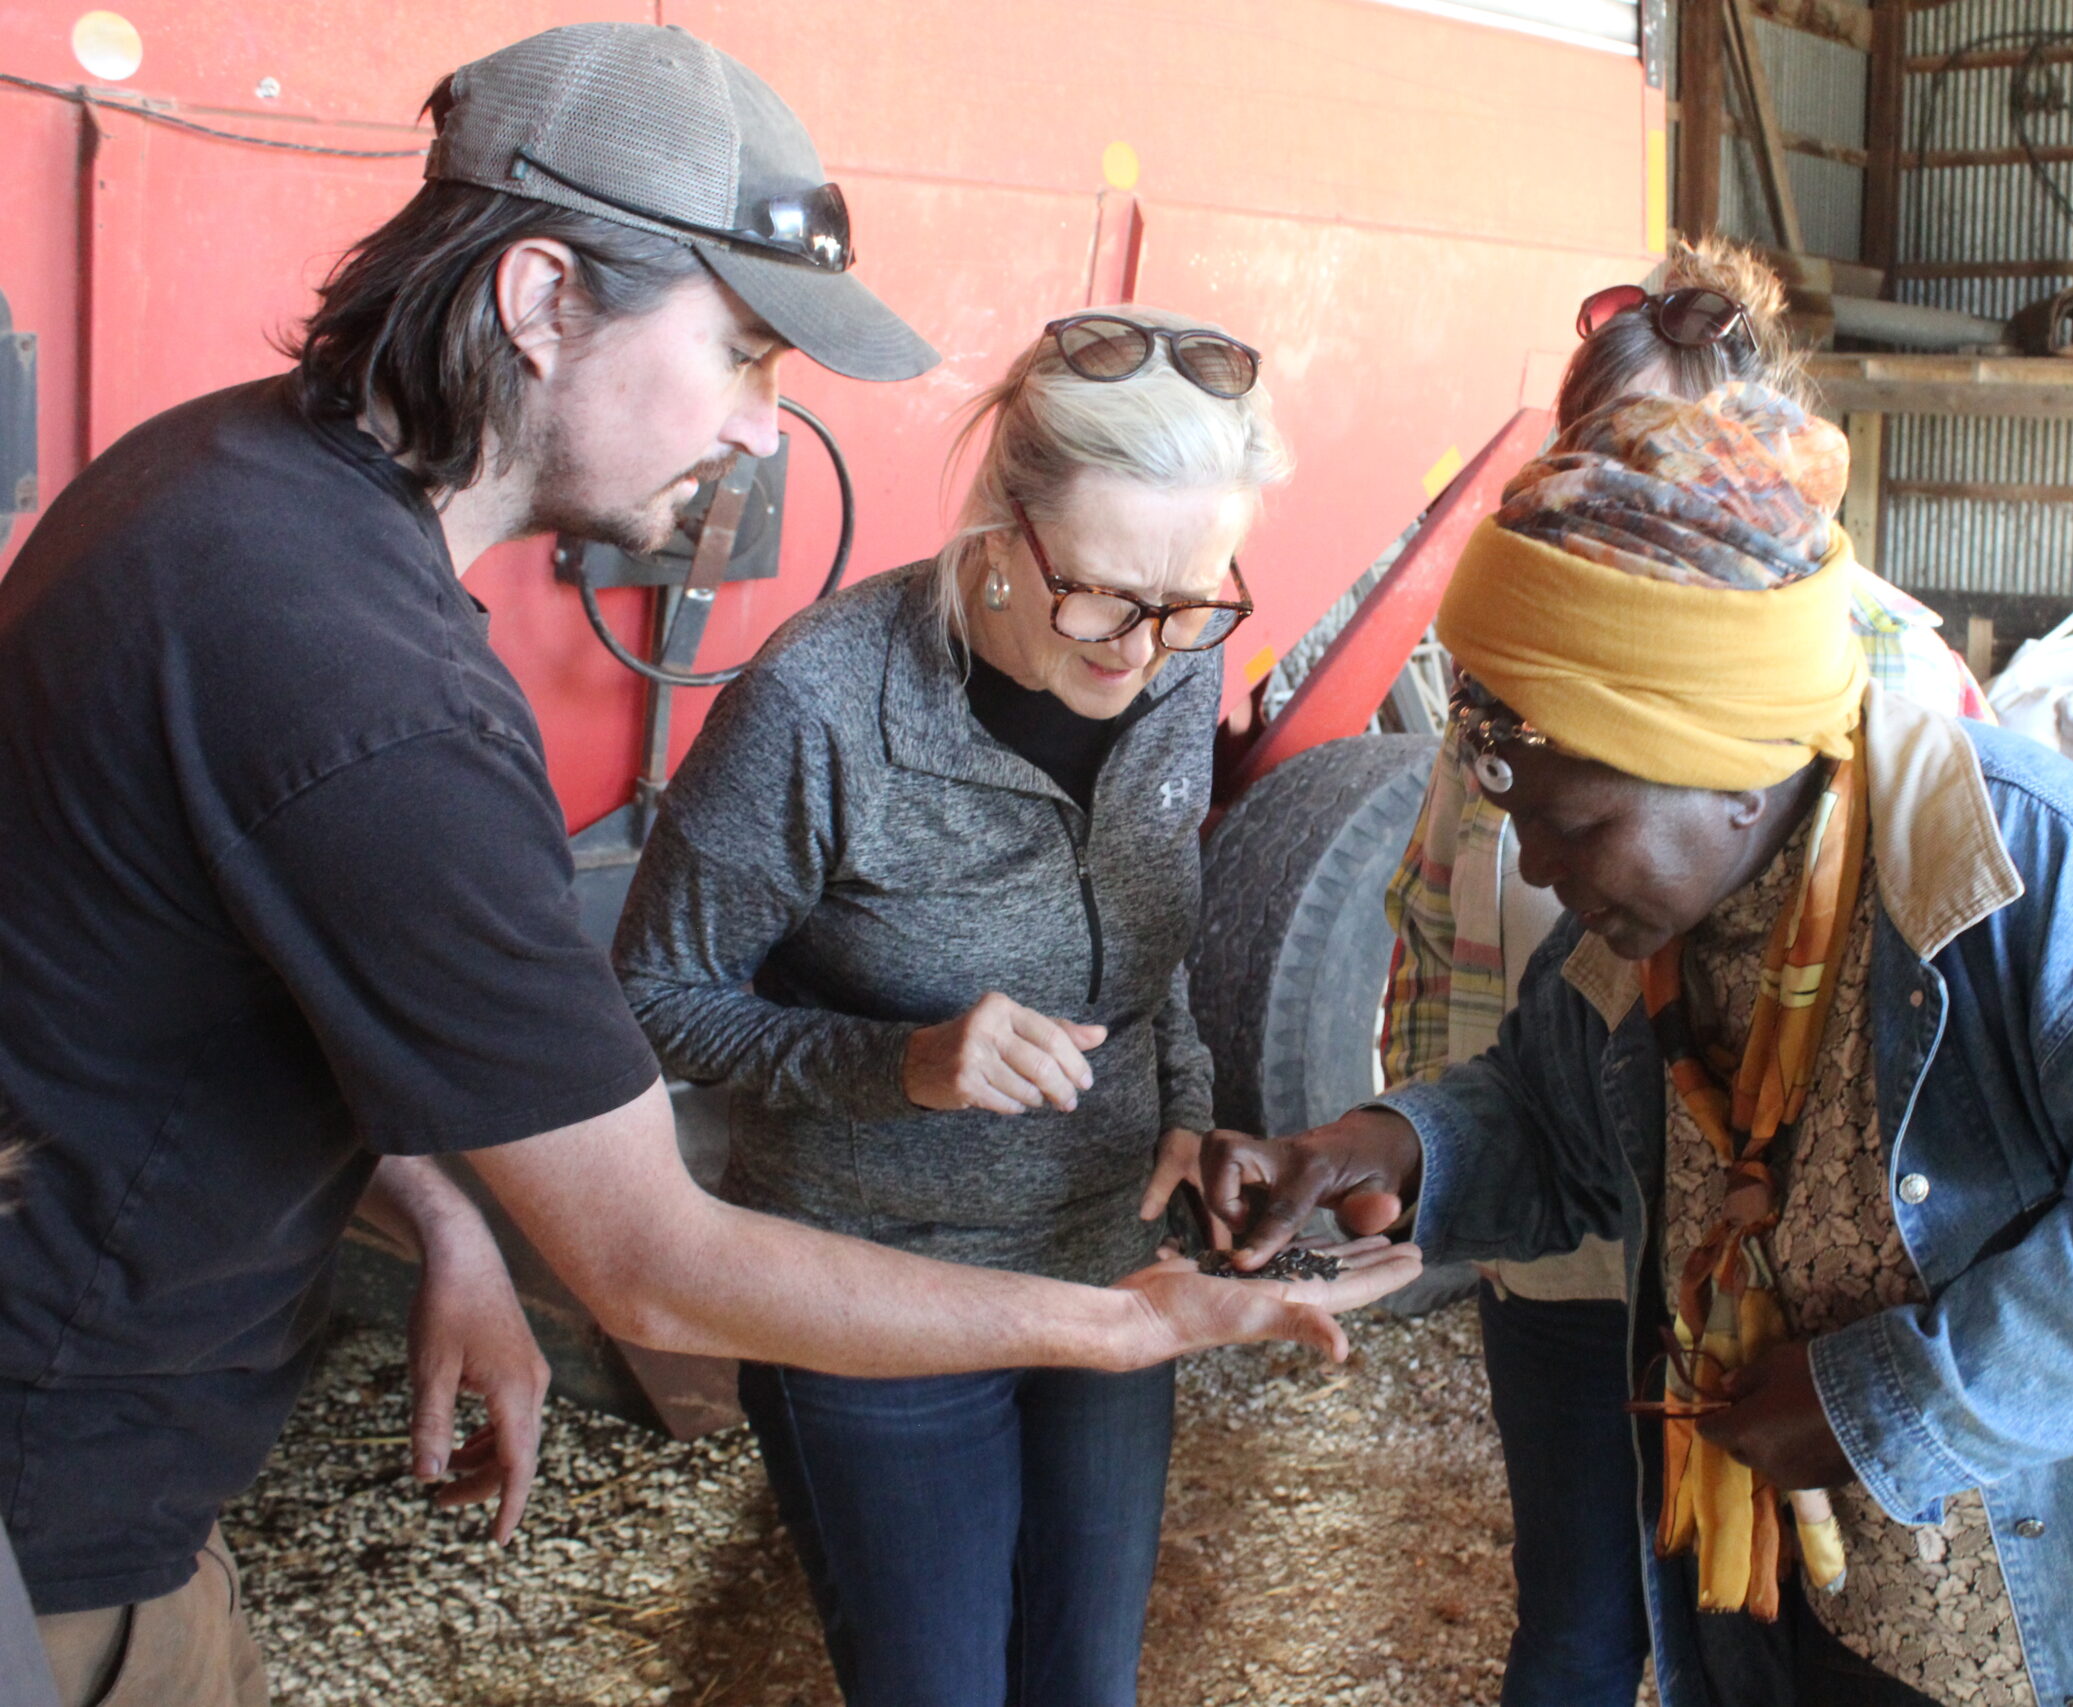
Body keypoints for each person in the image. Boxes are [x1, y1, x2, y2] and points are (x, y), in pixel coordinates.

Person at [0, 26, 1414, 1707]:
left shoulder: (225, 489)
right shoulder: (369, 686)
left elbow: (189, 1011)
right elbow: (650, 1256)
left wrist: (444, 1219)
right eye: (742, 354)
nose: (760, 431)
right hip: (57, 1497)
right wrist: (1123, 1323)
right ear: (538, 300)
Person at [1203, 387, 2073, 1707]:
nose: (1542, 864)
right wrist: (1379, 1146)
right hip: (1845, 1627)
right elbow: (1548, 1108)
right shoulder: (1659, 927)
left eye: (1575, 820)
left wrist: (1885, 1403)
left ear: (1732, 764)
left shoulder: (2031, 881)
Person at [611, 306, 1284, 1707]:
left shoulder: (1170, 659)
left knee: (1086, 1683)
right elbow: (655, 995)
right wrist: (900, 1063)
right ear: (999, 528)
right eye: (1101, 596)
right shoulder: (822, 703)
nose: (1142, 652)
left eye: (1193, 600)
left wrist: (1186, 1106)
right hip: (875, 1285)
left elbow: (1160, 932)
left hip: (1104, 1256)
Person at [1380, 236, 1985, 1707]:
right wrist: (1420, 1150)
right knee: (1583, 1615)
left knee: (1786, 1620)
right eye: (1599, 461)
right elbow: (1444, 934)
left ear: (1762, 467)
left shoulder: (1895, 687)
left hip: (1789, 1283)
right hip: (1573, 1263)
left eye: (1670, 465)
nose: (1621, 506)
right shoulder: (1528, 676)